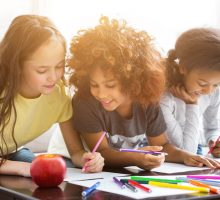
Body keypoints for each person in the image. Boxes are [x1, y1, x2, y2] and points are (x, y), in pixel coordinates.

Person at [49, 16, 220, 170]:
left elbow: (162, 145)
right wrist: (136, 158)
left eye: (110, 84)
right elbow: (102, 151)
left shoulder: (147, 101)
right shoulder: (86, 101)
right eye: (94, 84)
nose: (100, 93)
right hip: (71, 162)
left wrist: (186, 156)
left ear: (132, 80)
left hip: (114, 166)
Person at [0, 15, 104, 177]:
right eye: (42, 70)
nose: (53, 77)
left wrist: (87, 159)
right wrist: (22, 168)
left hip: (11, 154)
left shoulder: (59, 95)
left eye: (59, 66)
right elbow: (24, 167)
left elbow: (76, 152)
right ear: (17, 64)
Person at [160, 28, 220, 158]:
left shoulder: (214, 92)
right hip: (170, 156)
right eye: (202, 84)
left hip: (193, 149)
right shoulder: (164, 98)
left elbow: (212, 128)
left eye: (216, 84)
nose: (209, 91)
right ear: (183, 68)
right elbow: (187, 151)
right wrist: (192, 104)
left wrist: (213, 141)